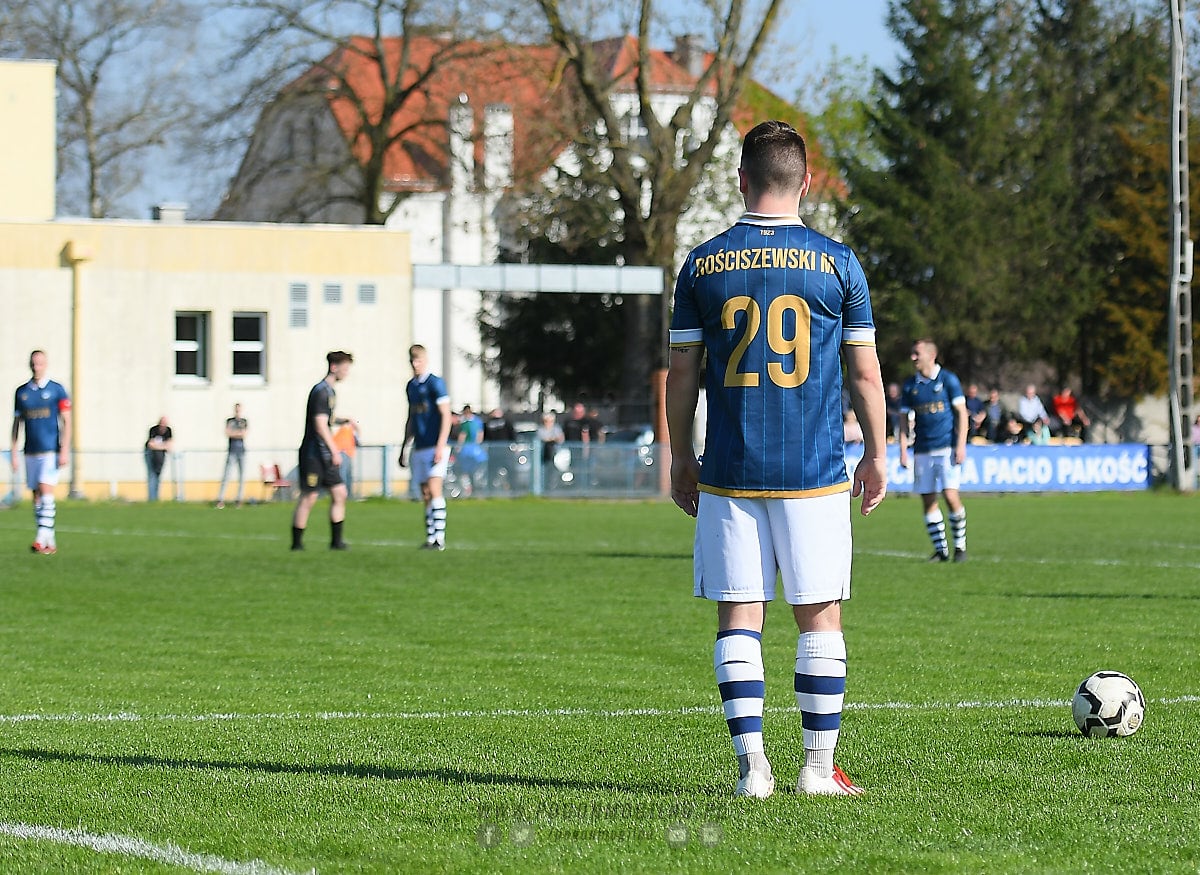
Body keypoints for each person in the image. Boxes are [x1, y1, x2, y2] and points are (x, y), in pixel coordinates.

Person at [666, 120, 888, 800]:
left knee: (739, 617)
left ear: (741, 180)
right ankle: (818, 769)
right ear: (807, 182)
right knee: (819, 616)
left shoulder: (700, 264)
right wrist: (877, 453)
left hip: (729, 470)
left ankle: (752, 769)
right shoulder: (838, 263)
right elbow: (865, 373)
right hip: (813, 472)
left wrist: (681, 457)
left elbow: (681, 372)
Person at [899, 339, 969, 563]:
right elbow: (903, 420)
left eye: (917, 353)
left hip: (947, 448)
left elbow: (962, 413)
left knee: (950, 495)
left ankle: (960, 547)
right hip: (922, 450)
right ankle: (941, 551)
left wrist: (961, 444)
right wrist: (903, 450)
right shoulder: (910, 385)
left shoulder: (948, 379)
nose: (913, 357)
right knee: (928, 499)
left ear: (931, 355)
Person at [291, 350, 353, 551]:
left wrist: (343, 420)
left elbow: (326, 418)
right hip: (314, 454)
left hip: (324, 453)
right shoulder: (321, 391)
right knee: (309, 496)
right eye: (344, 368)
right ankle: (297, 544)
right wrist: (334, 450)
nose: (347, 372)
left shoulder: (330, 391)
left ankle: (336, 542)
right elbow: (320, 424)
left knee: (340, 493)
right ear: (334, 367)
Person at [11, 350, 71, 554]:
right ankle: (48, 542)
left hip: (50, 450)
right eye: (33, 364)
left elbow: (67, 421)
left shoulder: (56, 390)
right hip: (30, 450)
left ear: (45, 364)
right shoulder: (22, 392)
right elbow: (16, 424)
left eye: (40, 363)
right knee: (36, 495)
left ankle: (40, 537)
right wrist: (13, 451)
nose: (36, 367)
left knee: (46, 490)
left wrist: (64, 449)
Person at [402, 344, 452, 550]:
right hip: (420, 445)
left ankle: (440, 539)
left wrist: (441, 445)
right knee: (425, 493)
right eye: (412, 361)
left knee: (434, 488)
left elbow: (446, 415)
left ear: (426, 360)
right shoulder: (411, 386)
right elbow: (411, 417)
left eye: (419, 360)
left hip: (435, 445)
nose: (415, 364)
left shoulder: (435, 383)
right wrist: (405, 446)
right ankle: (430, 537)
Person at [215, 403, 248, 508]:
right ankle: (220, 499)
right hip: (232, 451)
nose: (238, 411)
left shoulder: (244, 421)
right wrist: (237, 433)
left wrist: (235, 433)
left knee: (242, 477)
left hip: (241, 451)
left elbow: (244, 434)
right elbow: (228, 433)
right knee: (226, 476)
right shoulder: (230, 421)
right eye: (236, 409)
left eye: (239, 409)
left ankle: (239, 500)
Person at [454, 404, 485, 496]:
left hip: (468, 449)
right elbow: (480, 434)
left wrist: (459, 446)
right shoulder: (476, 421)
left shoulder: (466, 423)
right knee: (472, 470)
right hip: (474, 449)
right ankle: (472, 488)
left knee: (465, 470)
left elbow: (463, 435)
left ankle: (469, 489)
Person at [145, 416, 174, 501]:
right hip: (151, 455)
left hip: (161, 456)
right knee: (152, 476)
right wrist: (163, 446)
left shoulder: (168, 431)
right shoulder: (153, 430)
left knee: (158, 476)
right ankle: (152, 498)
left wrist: (158, 446)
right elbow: (150, 444)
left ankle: (156, 497)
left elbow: (169, 445)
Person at [332, 418, 359, 498]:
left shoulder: (346, 430)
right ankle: (344, 494)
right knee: (343, 475)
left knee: (347, 475)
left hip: (346, 453)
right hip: (343, 452)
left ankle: (347, 494)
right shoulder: (345, 429)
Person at [536, 411, 564, 489]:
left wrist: (552, 439)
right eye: (546, 421)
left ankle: (554, 485)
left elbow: (560, 438)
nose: (548, 422)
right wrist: (552, 439)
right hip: (543, 454)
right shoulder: (541, 429)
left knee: (554, 470)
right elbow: (542, 438)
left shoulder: (557, 428)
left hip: (556, 454)